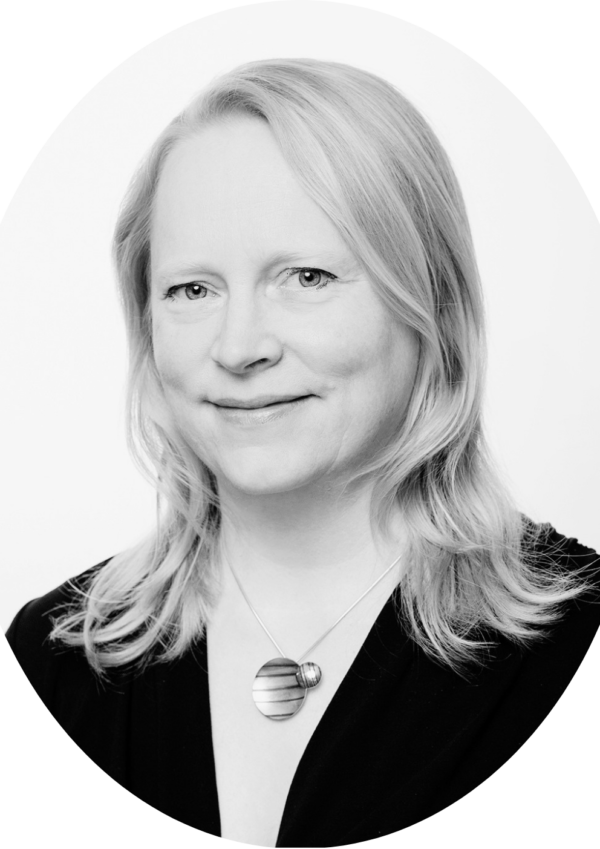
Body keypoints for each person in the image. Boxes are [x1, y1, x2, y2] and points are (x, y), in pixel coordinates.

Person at [5, 58, 599, 846]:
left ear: (432, 306)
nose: (239, 346)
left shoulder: (574, 648)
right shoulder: (52, 660)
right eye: (192, 289)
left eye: (307, 277)